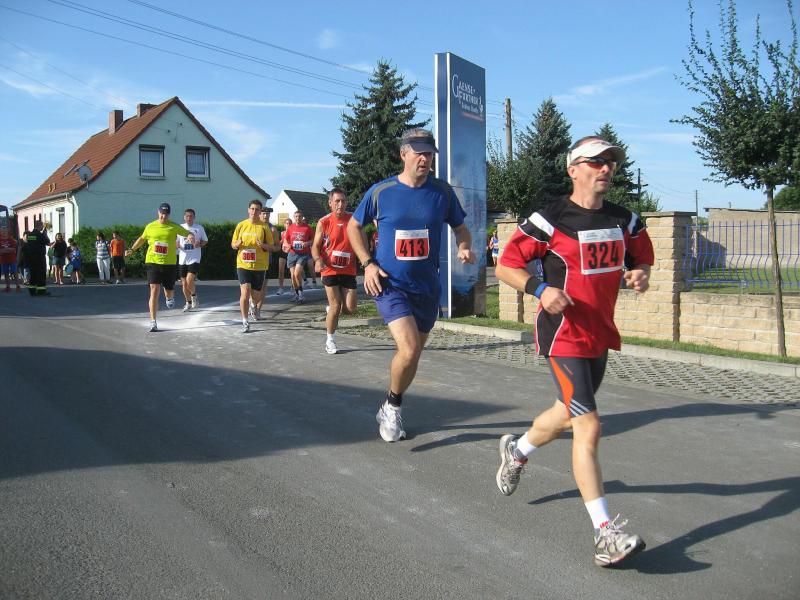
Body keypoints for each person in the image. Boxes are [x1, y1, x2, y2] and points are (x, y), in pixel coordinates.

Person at [494, 136, 655, 568]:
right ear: (573, 170)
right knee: (588, 425)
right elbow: (506, 265)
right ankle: (605, 534)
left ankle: (517, 451)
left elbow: (641, 258)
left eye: (611, 162)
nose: (606, 168)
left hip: (598, 333)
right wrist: (540, 289)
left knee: (565, 414)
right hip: (562, 334)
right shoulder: (550, 218)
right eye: (596, 161)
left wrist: (639, 274)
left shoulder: (624, 219)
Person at [348, 128, 476, 442]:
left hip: (427, 287)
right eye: (419, 152)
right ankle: (393, 407)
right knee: (409, 348)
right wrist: (368, 263)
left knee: (413, 355)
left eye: (429, 153)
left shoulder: (442, 192)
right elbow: (354, 227)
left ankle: (390, 402)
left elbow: (461, 228)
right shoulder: (381, 192)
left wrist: (463, 247)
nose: (425, 159)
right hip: (390, 284)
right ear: (403, 153)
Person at [125, 202, 192, 332]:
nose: (163, 216)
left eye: (166, 214)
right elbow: (142, 238)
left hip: (169, 264)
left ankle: (169, 297)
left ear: (169, 214)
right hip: (153, 262)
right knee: (154, 290)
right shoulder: (150, 226)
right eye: (162, 214)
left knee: (169, 291)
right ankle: (153, 322)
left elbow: (188, 233)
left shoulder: (174, 227)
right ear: (158, 212)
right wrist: (132, 249)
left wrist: (190, 236)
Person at [312, 188, 359, 355]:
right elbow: (315, 246)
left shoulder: (353, 219)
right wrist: (318, 260)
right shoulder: (323, 222)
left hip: (348, 269)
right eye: (337, 201)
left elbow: (362, 240)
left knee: (350, 309)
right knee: (335, 306)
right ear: (330, 203)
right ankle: (330, 340)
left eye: (343, 201)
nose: (340, 204)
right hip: (329, 269)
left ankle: (332, 311)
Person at [231, 199, 278, 332]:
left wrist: (263, 245)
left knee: (256, 296)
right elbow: (233, 244)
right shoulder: (241, 225)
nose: (254, 211)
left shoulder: (264, 227)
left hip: (260, 265)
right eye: (252, 209)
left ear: (260, 212)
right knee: (245, 291)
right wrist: (237, 244)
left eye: (257, 209)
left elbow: (272, 247)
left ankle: (253, 304)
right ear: (248, 210)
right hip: (243, 264)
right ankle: (245, 321)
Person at [177, 208, 208, 312]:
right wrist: (177, 245)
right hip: (183, 258)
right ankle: (188, 302)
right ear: (184, 217)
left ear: (194, 217)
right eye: (187, 216)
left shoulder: (199, 228)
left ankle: (194, 296)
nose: (189, 218)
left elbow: (205, 241)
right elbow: (176, 241)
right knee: (184, 284)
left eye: (191, 216)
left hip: (194, 257)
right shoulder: (180, 228)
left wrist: (199, 244)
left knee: (189, 279)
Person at [284, 210, 314, 303]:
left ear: (302, 217)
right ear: (294, 217)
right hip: (292, 253)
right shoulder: (290, 228)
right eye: (296, 216)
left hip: (303, 254)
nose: (298, 218)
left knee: (297, 273)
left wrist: (307, 243)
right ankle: (297, 294)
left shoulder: (307, 228)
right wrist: (288, 245)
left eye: (300, 216)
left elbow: (313, 240)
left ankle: (301, 294)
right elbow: (286, 239)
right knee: (293, 276)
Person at [255, 206, 281, 315]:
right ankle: (252, 303)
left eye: (267, 214)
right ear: (259, 214)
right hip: (251, 261)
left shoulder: (272, 229)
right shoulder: (253, 226)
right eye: (263, 213)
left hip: (266, 261)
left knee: (263, 286)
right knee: (250, 286)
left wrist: (266, 247)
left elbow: (278, 247)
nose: (265, 216)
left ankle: (258, 309)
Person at [23, 221, 50, 296]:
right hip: (40, 258)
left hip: (31, 258)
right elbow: (47, 242)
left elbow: (25, 240)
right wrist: (45, 234)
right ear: (39, 226)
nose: (42, 227)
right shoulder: (40, 235)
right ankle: (41, 291)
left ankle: (32, 291)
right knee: (41, 274)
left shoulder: (30, 235)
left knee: (33, 274)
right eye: (42, 225)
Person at [276, 218, 292, 295]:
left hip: (291, 252)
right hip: (282, 252)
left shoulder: (293, 232)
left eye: (289, 223)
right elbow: (279, 242)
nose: (288, 225)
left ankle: (293, 287)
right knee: (280, 270)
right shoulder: (282, 233)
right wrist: (278, 243)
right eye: (287, 223)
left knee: (291, 271)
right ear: (284, 225)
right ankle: (280, 288)